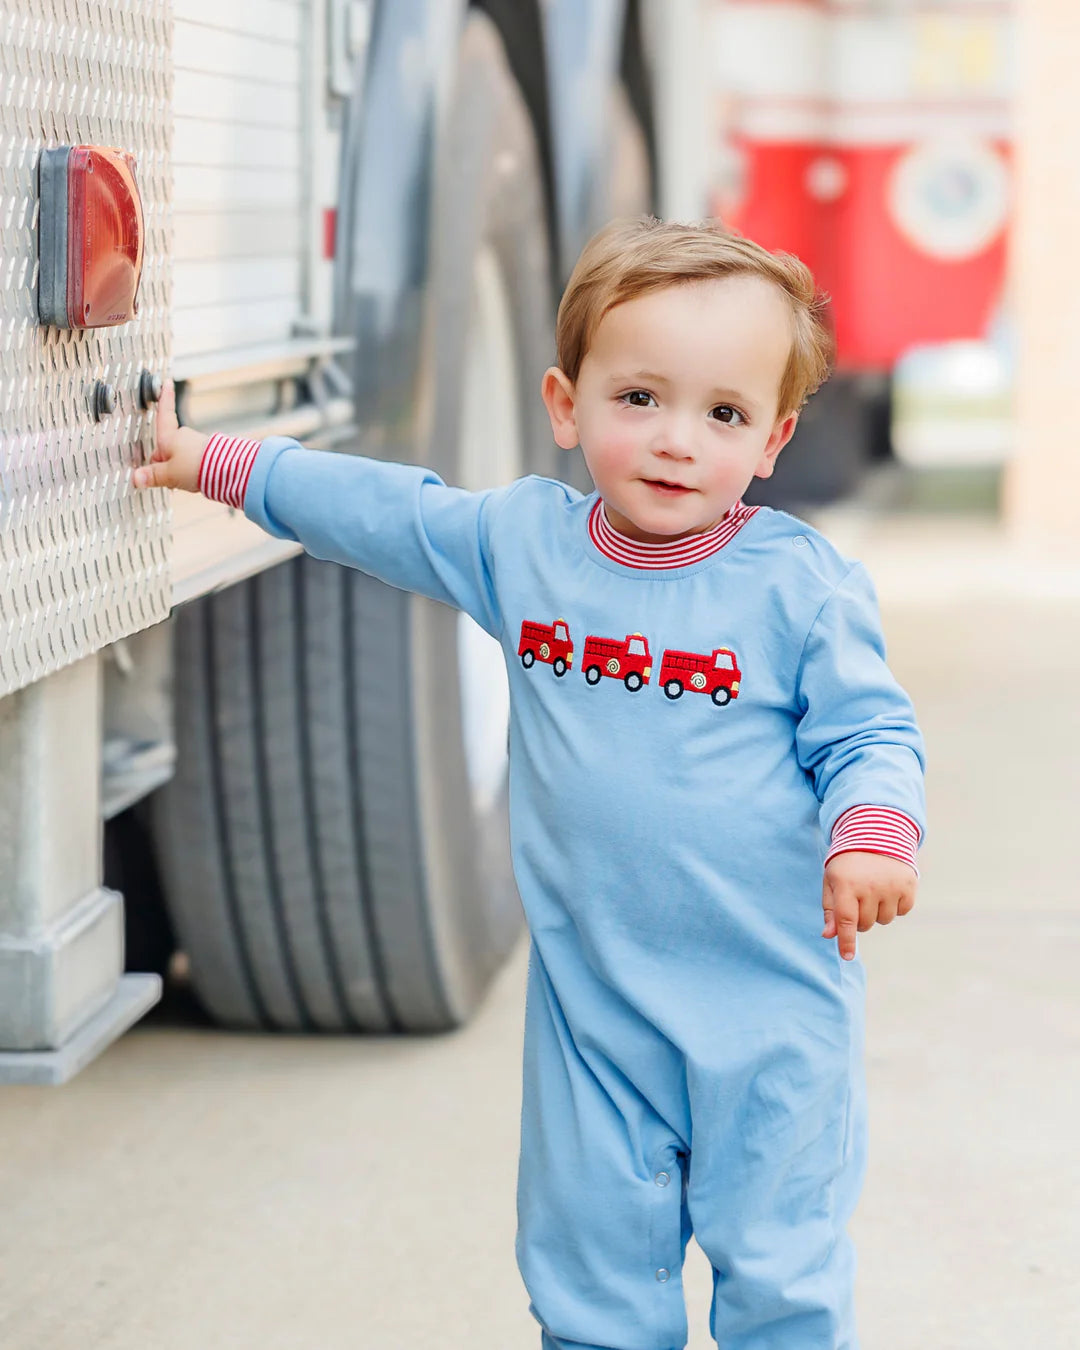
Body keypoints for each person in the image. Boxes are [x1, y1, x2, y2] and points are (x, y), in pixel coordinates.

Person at [134, 216, 925, 1350]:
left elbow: (869, 733)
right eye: (639, 398)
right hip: (595, 1008)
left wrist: (873, 837)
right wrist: (213, 462)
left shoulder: (798, 588)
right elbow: (384, 513)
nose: (675, 442)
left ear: (773, 441)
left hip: (771, 1008)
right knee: (589, 1264)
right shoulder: (527, 547)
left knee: (779, 1272)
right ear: (566, 403)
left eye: (724, 414)